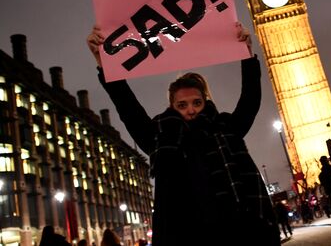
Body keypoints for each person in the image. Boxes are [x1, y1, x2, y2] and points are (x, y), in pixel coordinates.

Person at [87, 23, 280, 245]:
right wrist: (105, 63)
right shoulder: (158, 137)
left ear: (205, 101)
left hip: (237, 234)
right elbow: (128, 108)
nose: (191, 110)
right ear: (172, 106)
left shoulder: (225, 128)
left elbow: (250, 100)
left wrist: (247, 54)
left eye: (196, 102)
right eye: (182, 104)